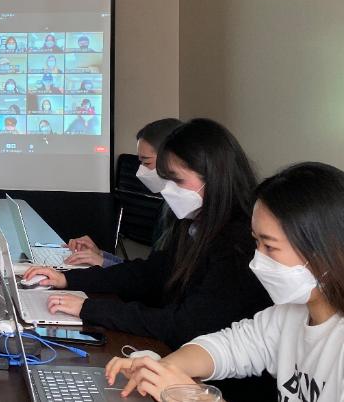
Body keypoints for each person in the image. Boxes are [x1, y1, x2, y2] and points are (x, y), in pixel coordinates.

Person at [22, 119, 271, 360]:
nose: (167, 189)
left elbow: (186, 325)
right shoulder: (194, 223)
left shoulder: (238, 242)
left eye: (177, 180)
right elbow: (150, 275)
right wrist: (68, 278)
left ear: (214, 176)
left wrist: (88, 308)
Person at [105, 162, 344, 401]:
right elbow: (226, 347)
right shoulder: (288, 315)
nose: (256, 260)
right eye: (256, 243)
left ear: (328, 251)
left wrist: (198, 397)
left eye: (270, 247)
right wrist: (161, 369)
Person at [66, 118, 183, 267]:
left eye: (147, 162)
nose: (141, 171)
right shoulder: (167, 206)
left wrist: (103, 262)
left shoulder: (185, 214)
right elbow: (150, 272)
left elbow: (154, 277)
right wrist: (100, 256)